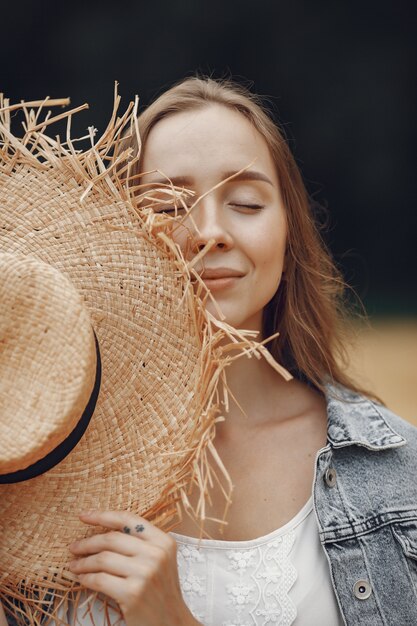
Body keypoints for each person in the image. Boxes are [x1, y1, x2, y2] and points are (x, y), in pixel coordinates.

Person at [2, 76, 417, 626]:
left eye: (245, 201)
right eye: (170, 205)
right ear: (122, 232)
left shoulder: (398, 476)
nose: (209, 231)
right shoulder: (36, 468)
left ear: (290, 230)